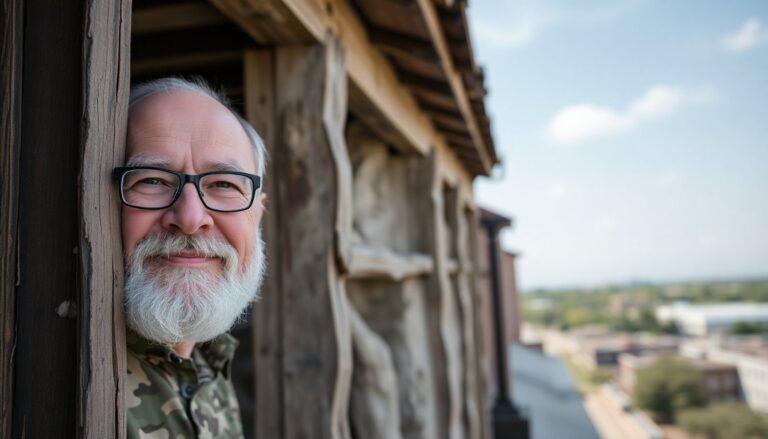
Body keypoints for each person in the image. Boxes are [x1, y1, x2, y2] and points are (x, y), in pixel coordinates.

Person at [117, 77, 267, 438]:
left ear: (257, 215)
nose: (189, 218)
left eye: (224, 185)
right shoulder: (51, 373)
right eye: (152, 180)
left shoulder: (209, 363)